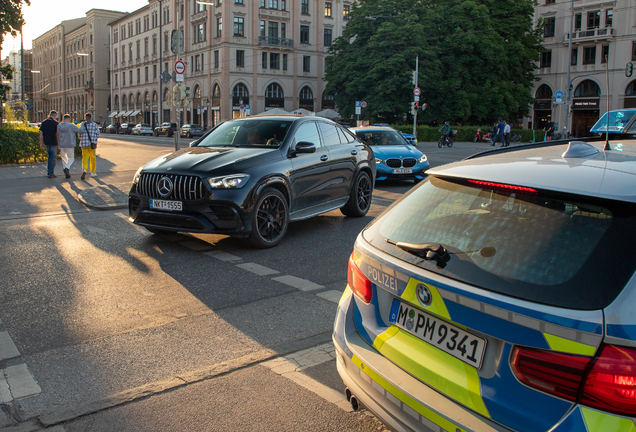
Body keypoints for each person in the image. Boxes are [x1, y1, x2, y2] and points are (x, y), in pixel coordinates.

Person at [57, 114, 81, 178]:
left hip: (62, 144)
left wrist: (58, 143)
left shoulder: (59, 126)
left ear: (63, 119)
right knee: (71, 158)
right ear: (69, 119)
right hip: (70, 144)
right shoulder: (71, 126)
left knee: (63, 158)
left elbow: (57, 135)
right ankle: (67, 168)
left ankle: (66, 172)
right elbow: (79, 130)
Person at [78, 112, 100, 180]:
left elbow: (79, 133)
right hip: (92, 144)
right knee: (92, 158)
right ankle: (92, 172)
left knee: (85, 158)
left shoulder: (82, 124)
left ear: (85, 118)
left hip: (84, 144)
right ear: (91, 118)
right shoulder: (94, 125)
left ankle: (84, 169)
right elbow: (98, 134)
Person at [39, 110, 59, 178]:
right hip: (54, 142)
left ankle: (49, 171)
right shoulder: (56, 123)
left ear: (49, 115)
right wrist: (58, 142)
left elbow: (41, 134)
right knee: (53, 158)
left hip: (46, 142)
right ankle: (51, 172)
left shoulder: (44, 123)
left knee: (49, 156)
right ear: (55, 116)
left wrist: (41, 143)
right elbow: (57, 134)